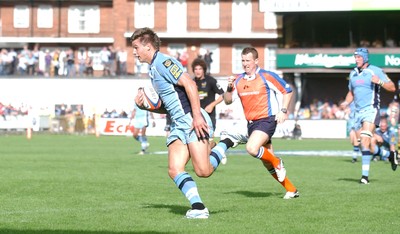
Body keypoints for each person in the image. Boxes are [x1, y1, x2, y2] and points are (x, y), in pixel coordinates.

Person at [130, 27, 236, 219]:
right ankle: (198, 207)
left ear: (148, 46)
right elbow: (168, 106)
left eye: (136, 47)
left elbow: (190, 84)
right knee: (174, 169)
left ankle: (226, 142)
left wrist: (196, 117)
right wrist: (147, 107)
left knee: (203, 171)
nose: (134, 52)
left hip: (191, 119)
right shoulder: (153, 69)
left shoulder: (164, 61)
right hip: (178, 124)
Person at [223, 46, 299, 199]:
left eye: (248, 61)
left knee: (252, 148)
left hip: (267, 120)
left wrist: (283, 110)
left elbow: (287, 91)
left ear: (256, 61)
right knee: (267, 162)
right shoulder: (238, 79)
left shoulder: (267, 76)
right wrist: (229, 88)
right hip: (251, 124)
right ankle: (291, 189)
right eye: (243, 61)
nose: (245, 64)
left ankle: (278, 162)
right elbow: (227, 101)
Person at [340, 47, 398, 184]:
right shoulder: (353, 73)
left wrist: (380, 82)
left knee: (364, 139)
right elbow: (351, 93)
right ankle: (389, 155)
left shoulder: (376, 70)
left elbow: (392, 87)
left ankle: (364, 177)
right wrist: (346, 102)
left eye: (359, 57)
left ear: (365, 58)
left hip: (372, 110)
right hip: (358, 112)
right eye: (355, 57)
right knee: (366, 145)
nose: (356, 59)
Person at [192, 58, 225, 155]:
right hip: (197, 116)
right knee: (199, 143)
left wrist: (212, 105)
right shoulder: (192, 82)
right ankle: (216, 148)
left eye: (200, 69)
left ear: (204, 70)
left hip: (209, 116)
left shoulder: (211, 81)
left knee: (208, 142)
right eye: (196, 69)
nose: (197, 71)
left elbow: (223, 95)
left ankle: (216, 148)